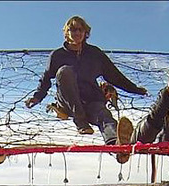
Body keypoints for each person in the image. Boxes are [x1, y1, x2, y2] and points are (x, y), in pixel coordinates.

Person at [25, 15, 147, 143]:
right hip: (68, 104)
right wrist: (37, 97)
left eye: (80, 30)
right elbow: (46, 79)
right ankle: (80, 121)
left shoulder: (94, 54)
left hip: (91, 101)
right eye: (73, 30)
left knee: (104, 116)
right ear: (67, 33)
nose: (77, 33)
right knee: (65, 71)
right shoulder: (57, 55)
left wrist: (136, 89)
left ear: (85, 33)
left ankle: (116, 145)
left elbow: (114, 75)